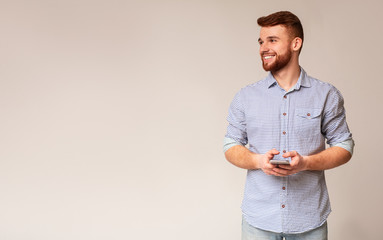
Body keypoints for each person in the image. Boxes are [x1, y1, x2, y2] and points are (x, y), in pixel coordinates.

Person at [223, 11, 354, 240]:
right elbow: (230, 145)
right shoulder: (245, 97)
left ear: (296, 43)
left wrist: (306, 163)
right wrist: (257, 160)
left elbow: (344, 146)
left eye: (272, 40)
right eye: (261, 42)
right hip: (259, 219)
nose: (264, 47)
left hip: (309, 219)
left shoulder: (326, 95)